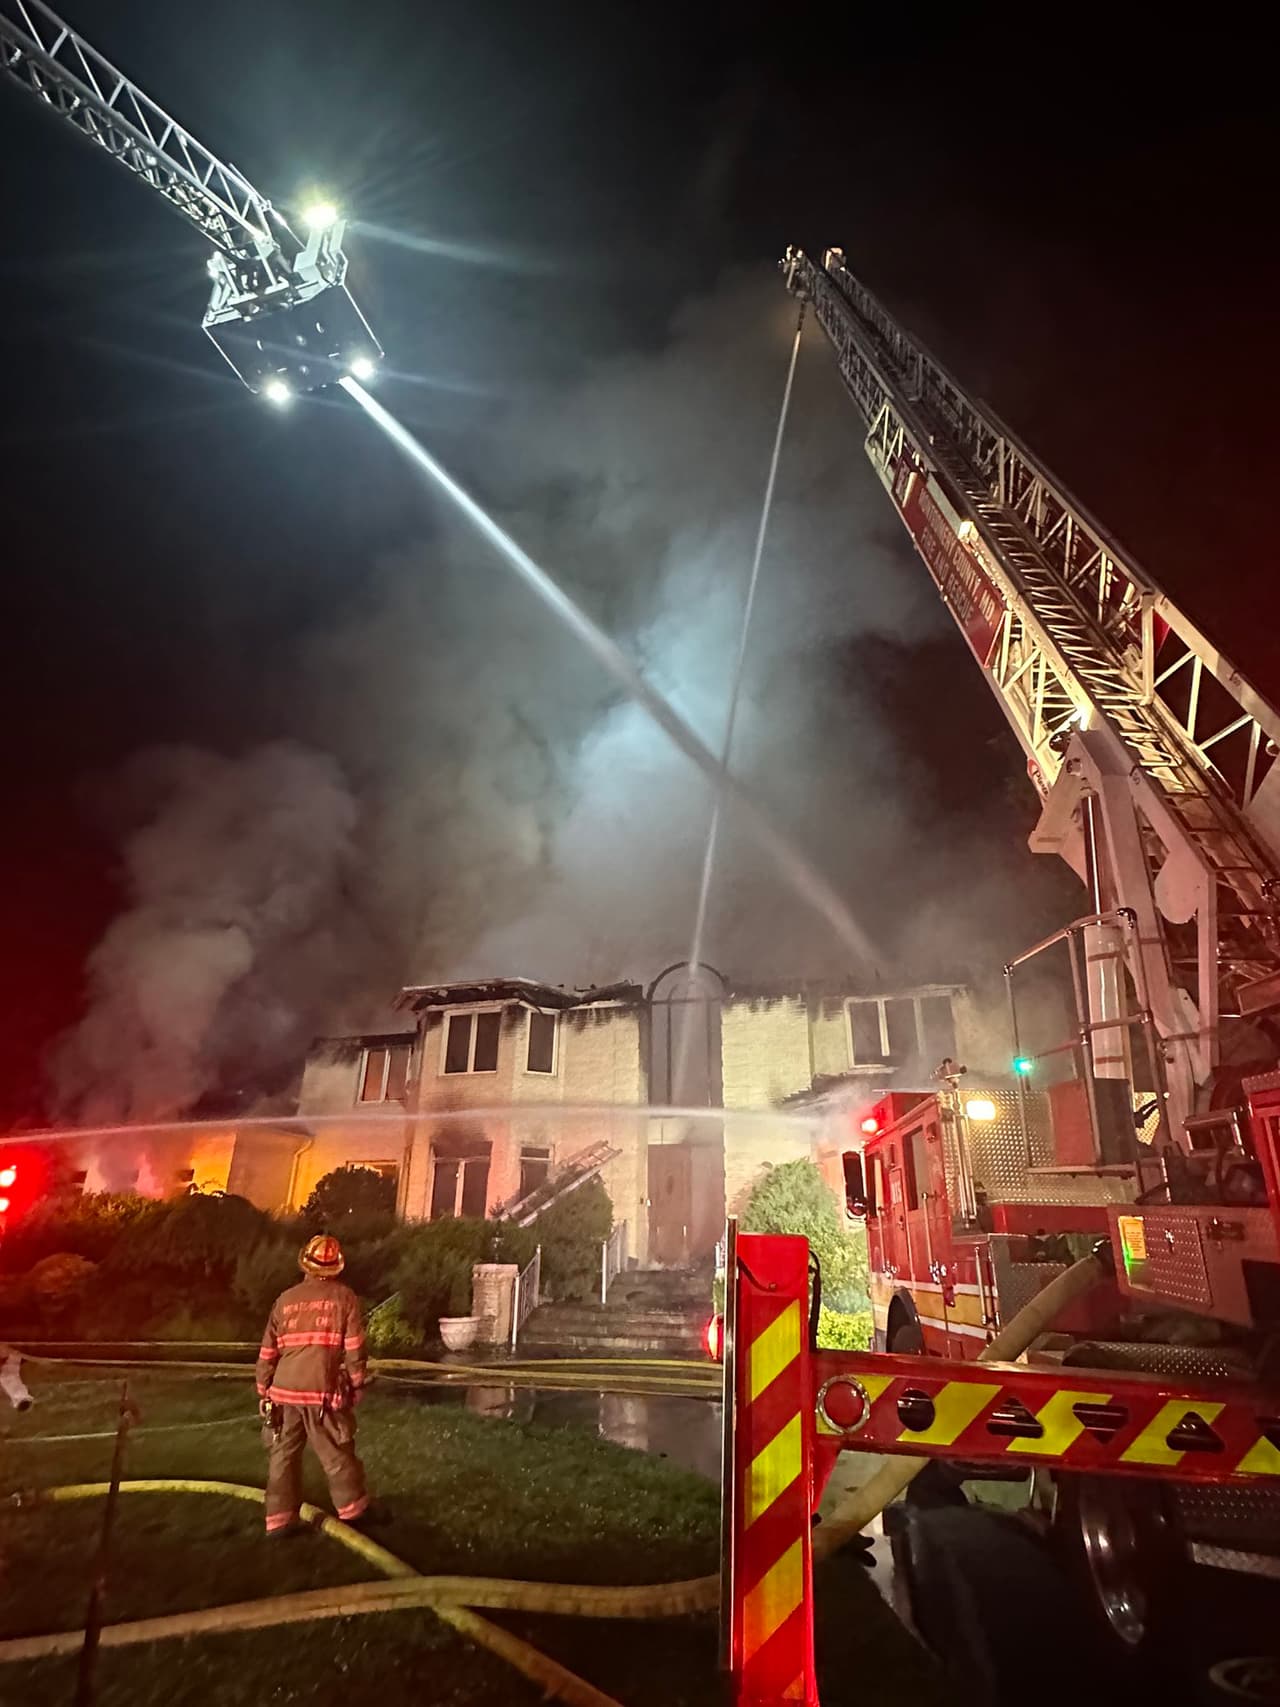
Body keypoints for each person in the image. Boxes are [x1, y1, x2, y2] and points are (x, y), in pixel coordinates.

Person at [255, 1233, 383, 1537]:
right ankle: (353, 1510)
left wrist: (263, 1388)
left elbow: (268, 1349)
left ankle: (278, 1520)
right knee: (336, 1452)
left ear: (306, 1265)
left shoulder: (285, 1300)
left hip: (283, 1392)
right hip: (322, 1393)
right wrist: (357, 1383)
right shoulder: (345, 1298)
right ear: (335, 1268)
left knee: (283, 1455)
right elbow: (354, 1348)